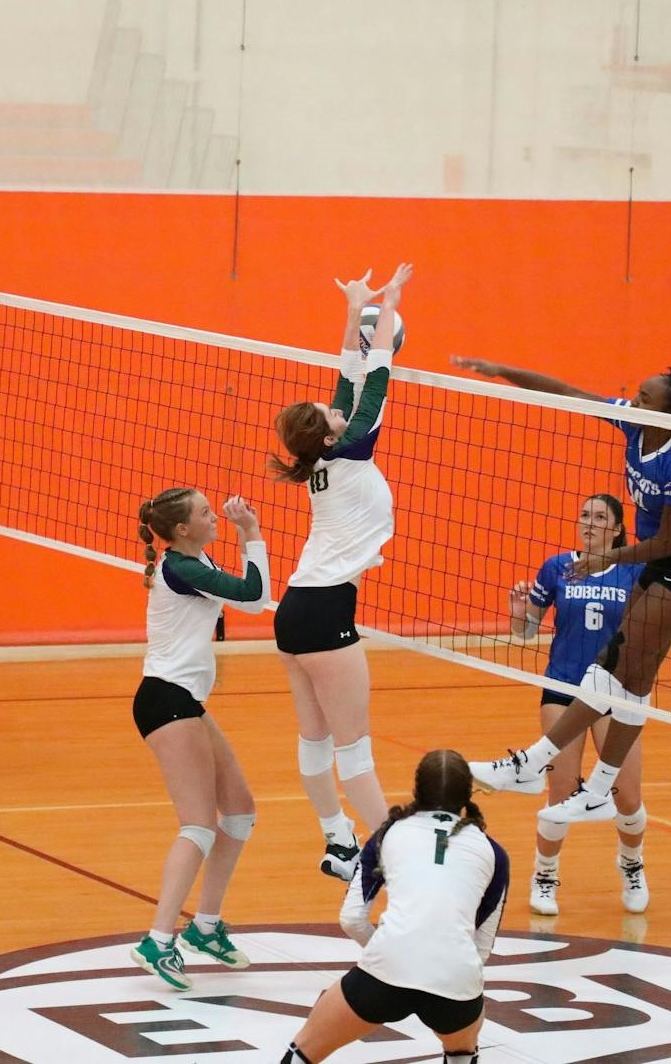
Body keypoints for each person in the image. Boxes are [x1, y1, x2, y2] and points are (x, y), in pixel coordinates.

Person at [452, 357, 671, 827]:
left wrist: (606, 559)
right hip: (657, 569)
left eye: (644, 399)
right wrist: (502, 369)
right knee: (633, 684)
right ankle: (598, 791)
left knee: (610, 665)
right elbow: (569, 392)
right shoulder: (636, 425)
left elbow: (669, 544)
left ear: (667, 414)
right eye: (636, 394)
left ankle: (531, 763)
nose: (633, 402)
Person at [270, 264, 412, 880]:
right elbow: (372, 379)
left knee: (317, 739)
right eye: (327, 412)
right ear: (326, 430)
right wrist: (391, 304)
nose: (335, 409)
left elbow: (347, 382)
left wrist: (357, 309)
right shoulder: (351, 449)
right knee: (353, 748)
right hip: (324, 610)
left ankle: (338, 842)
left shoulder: (327, 455)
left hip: (297, 609)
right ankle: (390, 860)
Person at [278, 749, 507, 1064]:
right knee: (462, 1052)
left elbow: (352, 920)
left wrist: (389, 951)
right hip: (456, 984)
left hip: (384, 973)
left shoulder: (387, 834)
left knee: (304, 1051)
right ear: (468, 794)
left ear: (416, 791)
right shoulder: (494, 852)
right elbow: (482, 946)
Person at [129, 489, 269, 990]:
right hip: (166, 700)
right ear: (183, 530)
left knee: (240, 811)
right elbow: (255, 598)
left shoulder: (193, 558)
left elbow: (243, 594)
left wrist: (236, 533)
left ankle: (205, 927)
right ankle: (158, 940)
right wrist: (250, 534)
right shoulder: (181, 569)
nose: (216, 517)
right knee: (199, 825)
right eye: (206, 513)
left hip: (182, 700)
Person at [508, 494, 649, 914]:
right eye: (585, 515)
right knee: (561, 792)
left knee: (627, 795)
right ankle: (545, 876)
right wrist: (519, 612)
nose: (589, 522)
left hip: (614, 691)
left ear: (618, 528)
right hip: (565, 689)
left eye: (600, 517)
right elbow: (526, 632)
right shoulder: (557, 567)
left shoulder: (634, 571)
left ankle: (632, 865)